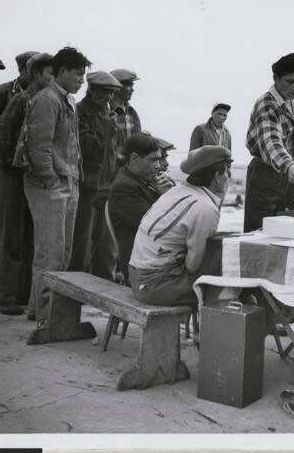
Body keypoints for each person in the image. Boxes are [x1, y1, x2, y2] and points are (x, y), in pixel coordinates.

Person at [13, 47, 91, 327]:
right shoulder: (47, 99)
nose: (82, 80)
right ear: (63, 72)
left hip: (67, 180)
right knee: (51, 254)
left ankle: (40, 310)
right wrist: (51, 181)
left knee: (61, 253)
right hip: (49, 184)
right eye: (78, 74)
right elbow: (38, 147)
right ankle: (48, 316)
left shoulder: (65, 100)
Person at [129, 146, 232, 305]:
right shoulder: (205, 208)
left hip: (136, 276)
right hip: (155, 287)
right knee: (228, 279)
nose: (229, 176)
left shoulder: (177, 190)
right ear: (217, 177)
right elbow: (192, 265)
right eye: (226, 172)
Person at [0, 53, 54, 315]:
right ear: (34, 73)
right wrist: (10, 167)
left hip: (26, 178)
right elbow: (2, 134)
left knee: (27, 235)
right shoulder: (21, 99)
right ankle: (5, 297)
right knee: (11, 236)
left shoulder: (38, 99)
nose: (52, 79)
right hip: (14, 178)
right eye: (49, 73)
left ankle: (19, 294)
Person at [69, 71, 123, 280]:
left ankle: (103, 288)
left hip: (105, 186)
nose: (109, 97)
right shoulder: (80, 112)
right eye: (105, 92)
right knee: (81, 243)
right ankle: (75, 289)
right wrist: (107, 128)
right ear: (91, 91)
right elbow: (87, 146)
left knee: (106, 246)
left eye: (111, 93)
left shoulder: (104, 114)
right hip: (88, 187)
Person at [243, 52, 294, 232]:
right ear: (275, 79)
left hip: (286, 175)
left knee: (285, 232)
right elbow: (271, 141)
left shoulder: (291, 102)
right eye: (289, 81)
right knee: (259, 235)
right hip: (265, 176)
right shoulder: (267, 103)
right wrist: (290, 165)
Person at [108, 133, 172, 281]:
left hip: (153, 259)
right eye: (153, 160)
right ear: (135, 158)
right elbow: (158, 226)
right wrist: (165, 196)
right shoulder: (124, 188)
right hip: (144, 268)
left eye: (160, 158)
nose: (158, 165)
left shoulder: (140, 180)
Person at [110, 68, 142, 166]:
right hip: (109, 169)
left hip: (128, 169)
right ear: (117, 87)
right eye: (129, 85)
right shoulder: (106, 111)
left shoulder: (132, 113)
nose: (132, 89)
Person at [0, 50, 39, 120]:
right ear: (22, 70)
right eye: (34, 70)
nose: (37, 74)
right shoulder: (0, 92)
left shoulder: (43, 93)